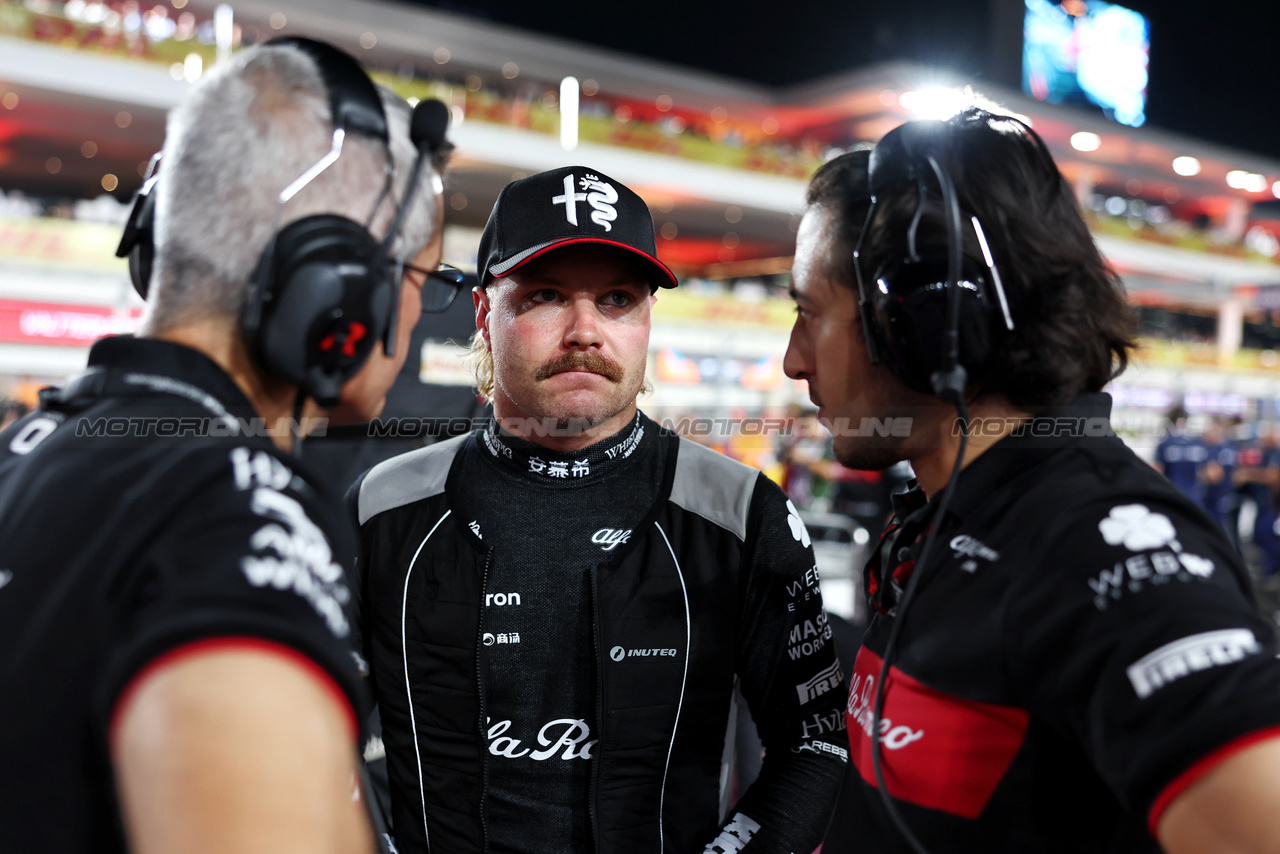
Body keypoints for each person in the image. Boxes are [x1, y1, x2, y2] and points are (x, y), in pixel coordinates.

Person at [0, 37, 458, 854]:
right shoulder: (234, 519)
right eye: (423, 279)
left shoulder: (27, 452)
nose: (421, 315)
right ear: (339, 290)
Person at [783, 110, 1280, 854]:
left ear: (921, 324)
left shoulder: (1100, 547)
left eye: (808, 313)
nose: (793, 360)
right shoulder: (946, 514)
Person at [349, 166, 848, 853]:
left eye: (617, 298)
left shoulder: (739, 514)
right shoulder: (383, 508)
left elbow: (816, 745)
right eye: (546, 296)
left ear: (647, 320)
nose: (585, 331)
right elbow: (302, 741)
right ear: (483, 317)